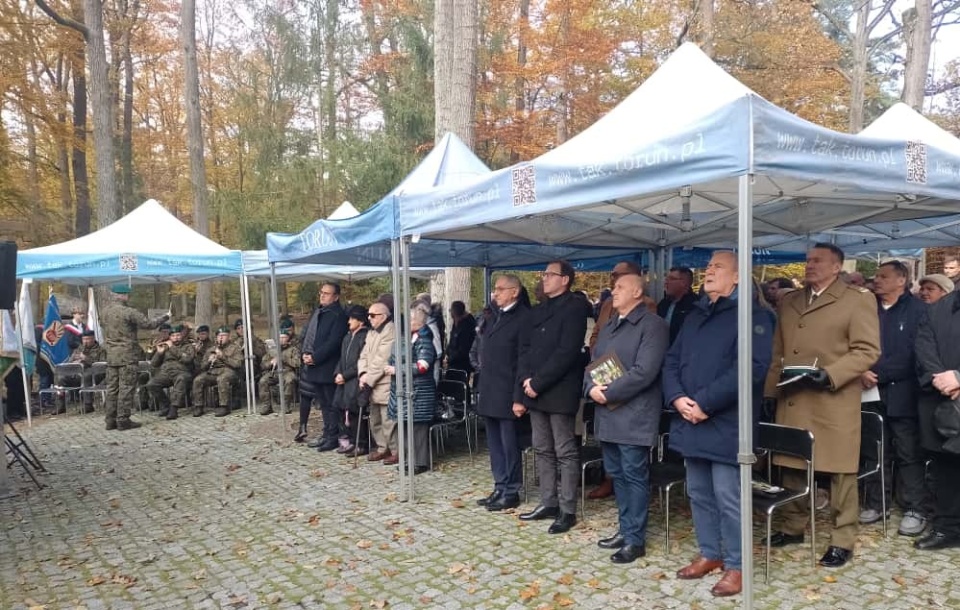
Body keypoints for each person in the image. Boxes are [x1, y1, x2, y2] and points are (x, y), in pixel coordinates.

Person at [664, 252, 774, 596]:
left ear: (738, 278)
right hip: (690, 418)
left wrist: (705, 404)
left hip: (726, 422)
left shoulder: (754, 316)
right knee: (698, 492)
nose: (709, 271)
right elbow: (671, 360)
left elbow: (751, 369)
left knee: (729, 496)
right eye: (708, 266)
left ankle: (738, 565)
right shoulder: (696, 314)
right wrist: (678, 398)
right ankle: (710, 553)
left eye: (718, 267)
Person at [763, 243, 880, 568]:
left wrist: (830, 374)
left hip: (833, 398)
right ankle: (792, 526)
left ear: (836, 267)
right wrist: (770, 395)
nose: (809, 265)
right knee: (791, 465)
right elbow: (778, 352)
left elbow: (867, 351)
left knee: (840, 471)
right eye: (808, 260)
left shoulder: (857, 300)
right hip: (793, 397)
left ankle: (842, 539)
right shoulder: (790, 300)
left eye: (818, 261)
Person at [587, 272, 669, 564]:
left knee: (634, 475)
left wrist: (607, 393)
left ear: (637, 293)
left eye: (620, 287)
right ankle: (625, 529)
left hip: (634, 414)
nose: (614, 291)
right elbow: (593, 364)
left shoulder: (653, 326)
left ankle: (636, 539)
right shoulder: (610, 325)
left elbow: (645, 371)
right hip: (607, 414)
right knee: (617, 474)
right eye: (613, 287)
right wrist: (591, 389)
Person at [516, 260, 588, 534]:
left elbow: (567, 352)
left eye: (550, 274)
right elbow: (525, 348)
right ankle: (548, 501)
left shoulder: (575, 307)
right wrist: (526, 379)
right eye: (544, 274)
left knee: (565, 451)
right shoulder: (539, 310)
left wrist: (538, 381)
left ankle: (568, 509)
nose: (544, 278)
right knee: (542, 448)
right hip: (533, 388)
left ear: (566, 279)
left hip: (558, 389)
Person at [858, 260, 929, 536]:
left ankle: (915, 507)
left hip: (904, 394)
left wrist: (879, 372)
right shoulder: (868, 309)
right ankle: (878, 503)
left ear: (902, 280)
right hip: (868, 392)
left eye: (883, 276)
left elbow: (917, 353)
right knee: (874, 451)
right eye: (876, 276)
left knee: (909, 453)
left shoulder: (919, 311)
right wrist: (861, 370)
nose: (877, 280)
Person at [476, 275, 530, 512]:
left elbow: (524, 361)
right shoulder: (494, 316)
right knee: (495, 443)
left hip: (508, 392)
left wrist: (519, 397)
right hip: (490, 390)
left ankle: (511, 489)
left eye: (500, 289)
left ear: (515, 291)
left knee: (509, 445)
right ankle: (500, 484)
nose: (495, 293)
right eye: (495, 289)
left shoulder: (524, 317)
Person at [914, 286, 960, 550]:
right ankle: (948, 528)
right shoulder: (937, 309)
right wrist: (942, 379)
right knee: (946, 469)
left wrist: (958, 377)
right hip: (943, 401)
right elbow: (923, 346)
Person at [100, 284, 169, 430]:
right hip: (127, 356)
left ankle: (110, 420)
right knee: (126, 387)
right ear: (124, 296)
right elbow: (148, 324)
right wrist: (165, 317)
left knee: (112, 388)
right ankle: (123, 419)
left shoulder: (104, 312)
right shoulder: (129, 312)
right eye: (127, 295)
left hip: (111, 356)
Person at [386, 305, 437, 475]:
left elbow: (423, 365)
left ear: (417, 322)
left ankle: (420, 462)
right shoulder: (411, 338)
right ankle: (409, 459)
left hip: (420, 392)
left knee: (418, 429)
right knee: (407, 427)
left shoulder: (425, 340)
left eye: (409, 320)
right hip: (407, 389)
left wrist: (397, 369)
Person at [299, 282, 348, 446]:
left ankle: (333, 436)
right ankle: (326, 434)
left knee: (332, 404)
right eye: (321, 292)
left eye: (327, 293)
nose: (322, 295)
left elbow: (333, 342)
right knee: (323, 404)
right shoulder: (318, 311)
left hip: (328, 366)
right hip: (314, 366)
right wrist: (305, 354)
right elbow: (308, 335)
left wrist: (315, 357)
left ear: (336, 297)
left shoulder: (338, 315)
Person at [358, 302, 396, 462]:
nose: (369, 318)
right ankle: (382, 448)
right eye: (368, 314)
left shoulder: (390, 331)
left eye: (372, 315)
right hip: (371, 382)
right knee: (375, 420)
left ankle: (396, 450)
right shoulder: (372, 332)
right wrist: (363, 373)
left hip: (385, 382)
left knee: (388, 420)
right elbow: (364, 355)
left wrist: (369, 380)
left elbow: (382, 358)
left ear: (383, 316)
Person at [332, 305, 369, 455]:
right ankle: (348, 440)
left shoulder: (365, 336)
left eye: (352, 319)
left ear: (360, 321)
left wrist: (345, 375)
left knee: (355, 412)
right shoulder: (347, 337)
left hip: (354, 380)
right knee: (340, 408)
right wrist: (338, 373)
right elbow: (342, 359)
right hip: (343, 381)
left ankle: (361, 443)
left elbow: (360, 361)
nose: (349, 322)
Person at [146, 324, 195, 420]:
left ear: (181, 336)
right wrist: (159, 353)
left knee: (181, 379)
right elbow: (154, 364)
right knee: (151, 384)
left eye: (178, 335)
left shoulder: (188, 346)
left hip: (182, 371)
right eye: (173, 336)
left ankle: (174, 408)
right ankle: (165, 406)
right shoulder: (165, 346)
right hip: (166, 373)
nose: (175, 338)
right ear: (170, 337)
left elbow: (187, 359)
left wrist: (172, 347)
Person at [191, 327, 243, 417]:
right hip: (213, 372)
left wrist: (223, 357)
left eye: (224, 335)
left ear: (229, 337)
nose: (221, 338)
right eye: (219, 336)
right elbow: (202, 367)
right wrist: (209, 361)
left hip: (229, 371)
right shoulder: (211, 349)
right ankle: (198, 406)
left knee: (222, 378)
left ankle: (224, 406)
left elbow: (237, 364)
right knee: (198, 380)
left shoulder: (235, 348)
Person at [62, 329, 107, 413]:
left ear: (93, 339)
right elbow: (69, 362)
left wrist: (86, 359)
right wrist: (74, 361)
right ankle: (61, 405)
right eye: (84, 339)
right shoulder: (79, 349)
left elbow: (101, 365)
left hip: (95, 375)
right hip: (78, 374)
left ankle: (88, 405)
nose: (85, 341)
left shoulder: (100, 350)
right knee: (62, 378)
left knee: (86, 377)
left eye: (88, 339)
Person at [258, 327, 300, 416]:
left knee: (289, 380)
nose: (281, 339)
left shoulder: (293, 349)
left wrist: (283, 359)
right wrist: (270, 363)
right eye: (279, 337)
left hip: (287, 371)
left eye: (284, 337)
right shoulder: (271, 350)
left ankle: (285, 405)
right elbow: (262, 365)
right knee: (263, 381)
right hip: (274, 372)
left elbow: (297, 363)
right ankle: (267, 405)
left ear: (288, 338)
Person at [657, 266, 698, 345]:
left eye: (671, 279)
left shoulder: (696, 306)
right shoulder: (663, 303)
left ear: (684, 283)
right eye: (666, 279)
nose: (666, 282)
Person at [446, 301, 476, 374]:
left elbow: (464, 348)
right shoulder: (456, 323)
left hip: (462, 364)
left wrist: (451, 358)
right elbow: (452, 341)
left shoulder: (467, 325)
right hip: (453, 362)